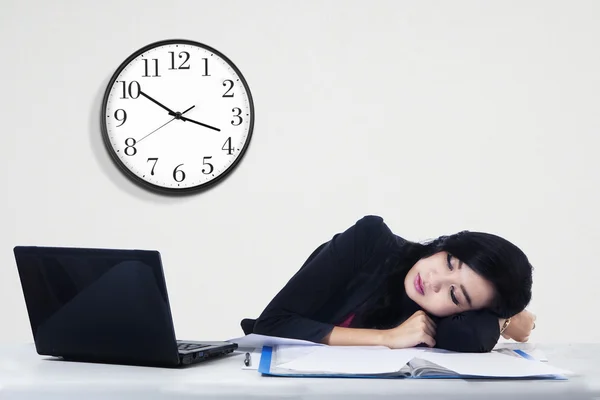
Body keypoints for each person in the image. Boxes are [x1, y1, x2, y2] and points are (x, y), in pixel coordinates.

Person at [241, 215, 536, 353]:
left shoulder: (437, 318)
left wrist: (504, 319)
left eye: (454, 294)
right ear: (446, 244)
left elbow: (474, 335)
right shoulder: (370, 240)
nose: (433, 280)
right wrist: (387, 338)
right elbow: (272, 324)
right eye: (449, 262)